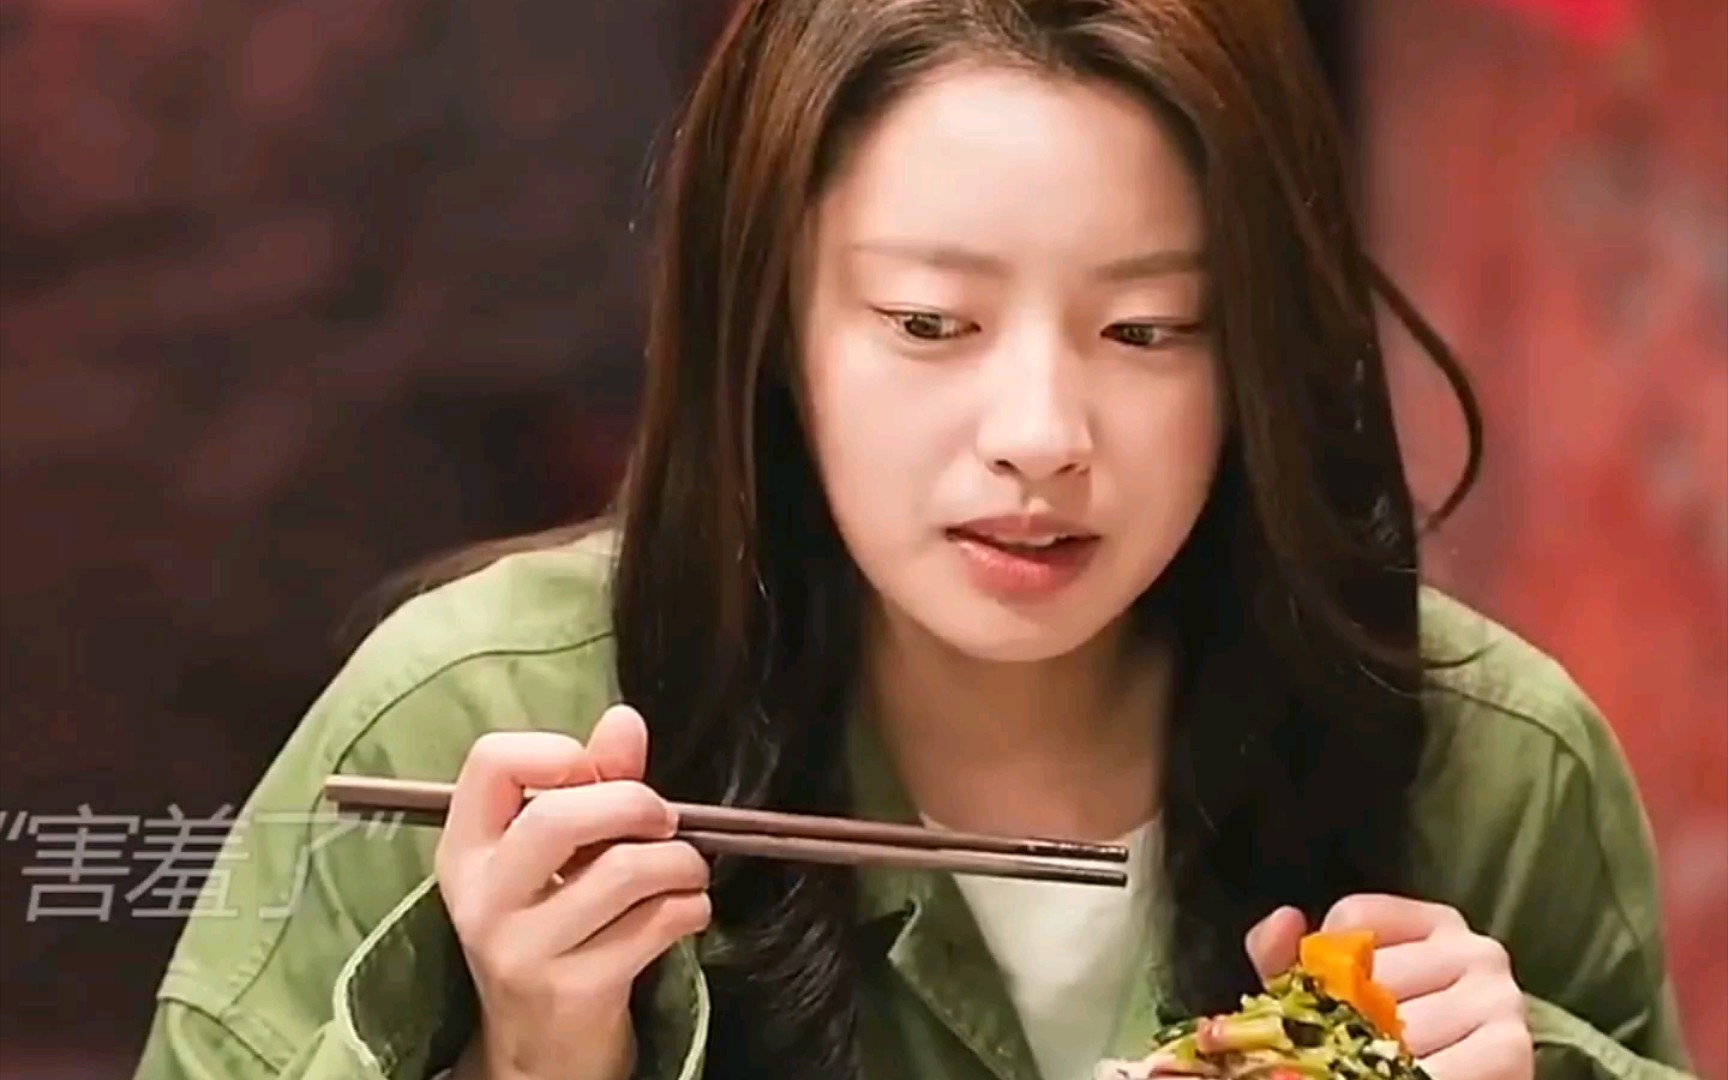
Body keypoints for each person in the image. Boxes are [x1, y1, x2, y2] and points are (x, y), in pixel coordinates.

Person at [133, 2, 1698, 1079]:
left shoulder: (1491, 768)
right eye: (931, 322)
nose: (1043, 432)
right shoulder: (476, 722)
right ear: (772, 327)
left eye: (1148, 329)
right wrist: (537, 1059)